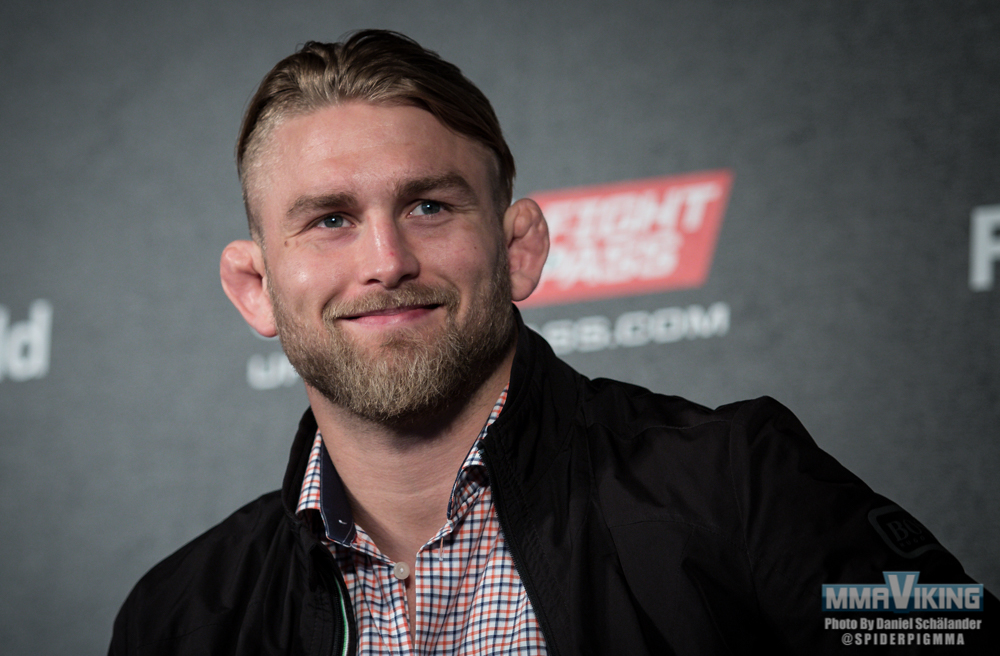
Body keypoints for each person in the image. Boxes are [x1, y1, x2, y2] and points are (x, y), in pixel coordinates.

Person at [110, 30, 996, 654]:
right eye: (330, 219)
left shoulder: (741, 483)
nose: (386, 260)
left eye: (430, 206)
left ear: (519, 246)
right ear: (256, 287)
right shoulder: (180, 616)